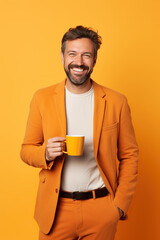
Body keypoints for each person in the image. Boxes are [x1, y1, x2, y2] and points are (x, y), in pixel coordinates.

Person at [20, 25, 139, 240]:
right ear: (62, 56)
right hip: (56, 210)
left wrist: (119, 206)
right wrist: (45, 154)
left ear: (94, 60)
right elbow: (26, 150)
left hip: (101, 208)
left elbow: (130, 155)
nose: (79, 62)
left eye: (87, 55)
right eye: (72, 54)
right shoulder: (42, 98)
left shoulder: (116, 101)